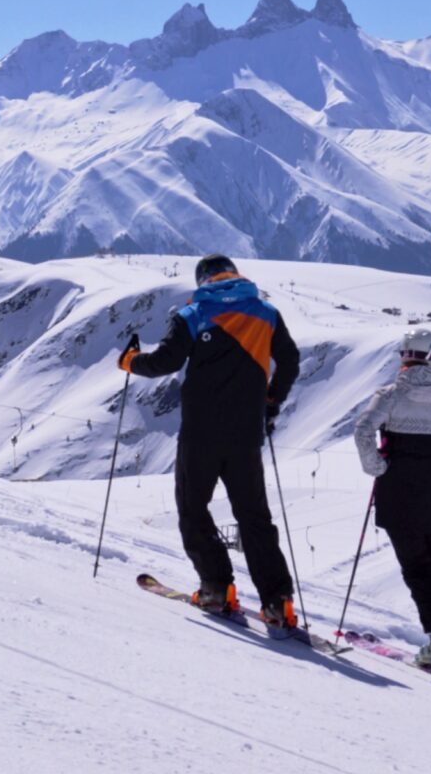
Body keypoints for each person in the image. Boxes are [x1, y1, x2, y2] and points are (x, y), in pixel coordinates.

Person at [118, 253, 301, 628]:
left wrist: (130, 361)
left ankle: (216, 588)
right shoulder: (267, 313)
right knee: (254, 517)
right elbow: (291, 360)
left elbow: (166, 363)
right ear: (235, 275)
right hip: (246, 434)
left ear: (203, 280)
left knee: (193, 508)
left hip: (200, 433)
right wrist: (271, 402)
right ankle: (278, 602)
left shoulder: (192, 314)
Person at [352, 329, 431, 673]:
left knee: (417, 568)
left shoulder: (390, 396)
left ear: (405, 357)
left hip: (398, 495)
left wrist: (375, 466)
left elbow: (363, 430)